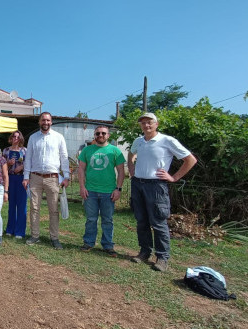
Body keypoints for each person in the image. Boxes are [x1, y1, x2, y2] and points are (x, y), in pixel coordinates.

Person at [128, 112, 197, 272]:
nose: (146, 125)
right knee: (141, 221)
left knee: (158, 222)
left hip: (156, 186)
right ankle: (144, 252)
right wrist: (132, 169)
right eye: (143, 123)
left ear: (156, 124)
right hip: (138, 184)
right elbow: (131, 153)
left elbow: (190, 160)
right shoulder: (138, 141)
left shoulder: (167, 140)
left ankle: (162, 258)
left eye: (149, 122)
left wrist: (173, 177)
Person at [23, 112, 70, 249]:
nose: (46, 122)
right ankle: (35, 235)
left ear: (51, 122)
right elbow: (29, 158)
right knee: (34, 208)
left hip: (53, 178)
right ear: (39, 122)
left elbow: (64, 157)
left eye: (48, 120)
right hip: (35, 177)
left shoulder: (58, 137)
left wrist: (66, 176)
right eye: (43, 120)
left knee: (53, 209)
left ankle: (54, 238)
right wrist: (26, 177)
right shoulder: (33, 138)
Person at [78, 126, 125, 257]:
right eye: (97, 133)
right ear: (94, 135)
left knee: (107, 220)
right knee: (91, 219)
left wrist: (118, 189)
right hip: (90, 191)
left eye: (103, 133)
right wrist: (82, 187)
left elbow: (121, 171)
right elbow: (81, 169)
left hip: (108, 192)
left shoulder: (115, 151)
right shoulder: (87, 150)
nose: (100, 135)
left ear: (108, 135)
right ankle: (88, 243)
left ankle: (108, 245)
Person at [3, 130, 27, 239]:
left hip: (22, 179)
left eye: (18, 137)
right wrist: (8, 163)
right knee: (11, 205)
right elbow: (2, 167)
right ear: (11, 138)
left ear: (20, 138)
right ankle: (10, 229)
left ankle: (20, 231)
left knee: (21, 206)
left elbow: (30, 164)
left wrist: (22, 167)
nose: (15, 139)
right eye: (14, 137)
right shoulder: (6, 151)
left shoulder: (25, 150)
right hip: (10, 178)